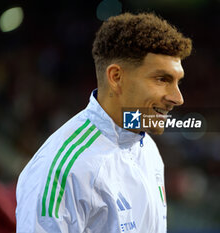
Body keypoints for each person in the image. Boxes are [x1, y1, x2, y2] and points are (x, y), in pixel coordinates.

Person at [16, 12, 192, 233]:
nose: (178, 98)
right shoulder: (62, 168)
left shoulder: (148, 150)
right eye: (162, 79)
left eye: (177, 82)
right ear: (116, 77)